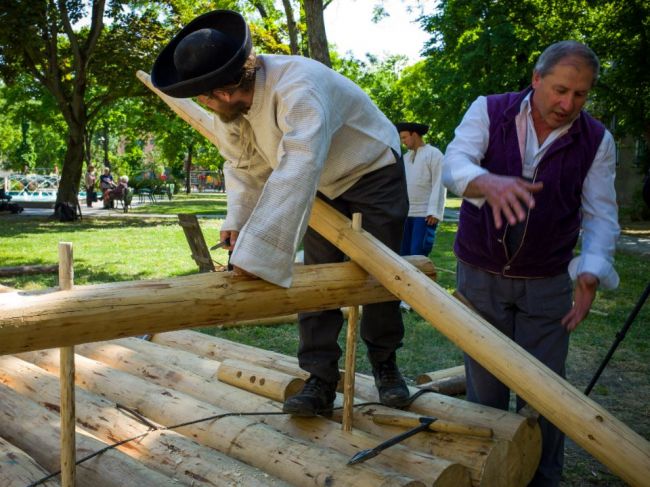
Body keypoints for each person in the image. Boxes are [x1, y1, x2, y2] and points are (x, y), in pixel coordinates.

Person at [152, 9, 410, 416]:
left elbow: (298, 165)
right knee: (313, 281)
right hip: (320, 184)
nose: (201, 103)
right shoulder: (232, 111)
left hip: (371, 173)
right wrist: (239, 224)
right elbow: (243, 166)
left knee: (378, 277)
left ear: (220, 91)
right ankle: (320, 378)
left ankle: (385, 364)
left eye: (202, 96)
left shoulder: (298, 86)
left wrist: (259, 255)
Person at [442, 41, 619, 486]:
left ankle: (543, 478)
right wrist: (485, 181)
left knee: (546, 393)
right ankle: (489, 475)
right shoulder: (489, 110)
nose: (567, 104)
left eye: (580, 95)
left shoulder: (597, 139)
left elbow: (601, 215)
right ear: (536, 79)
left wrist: (591, 271)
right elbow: (454, 164)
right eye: (560, 89)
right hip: (479, 272)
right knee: (485, 387)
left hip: (547, 281)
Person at [395, 122, 446, 257]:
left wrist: (434, 212)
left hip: (424, 215)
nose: (403, 141)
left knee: (418, 254)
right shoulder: (405, 158)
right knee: (402, 254)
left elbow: (439, 182)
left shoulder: (434, 154)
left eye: (405, 137)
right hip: (406, 214)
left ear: (415, 134)